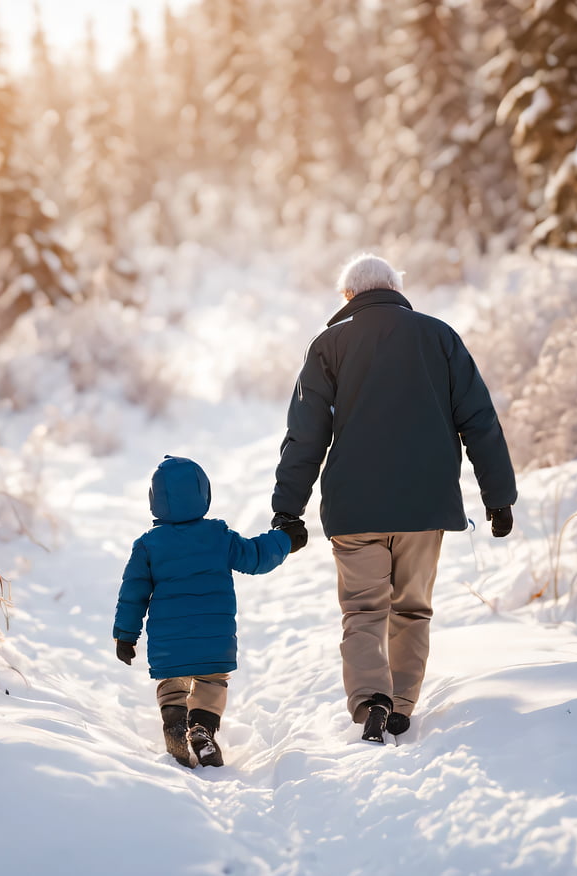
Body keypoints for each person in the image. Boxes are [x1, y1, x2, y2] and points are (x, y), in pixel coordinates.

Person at [270, 253, 516, 743]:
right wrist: (499, 497)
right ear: (395, 289)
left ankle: (371, 700)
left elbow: (306, 435)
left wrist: (287, 509)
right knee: (411, 608)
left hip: (353, 508)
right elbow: (480, 421)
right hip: (425, 507)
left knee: (363, 611)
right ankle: (402, 705)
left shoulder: (328, 346)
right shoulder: (439, 337)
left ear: (348, 297)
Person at [114, 455, 307, 767]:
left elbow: (132, 592)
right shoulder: (219, 536)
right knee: (212, 681)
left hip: (169, 640)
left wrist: (125, 635)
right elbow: (256, 557)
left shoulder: (148, 545)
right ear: (204, 494)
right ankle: (202, 727)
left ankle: (175, 722)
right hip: (213, 639)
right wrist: (285, 539)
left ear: (154, 500)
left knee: (172, 682)